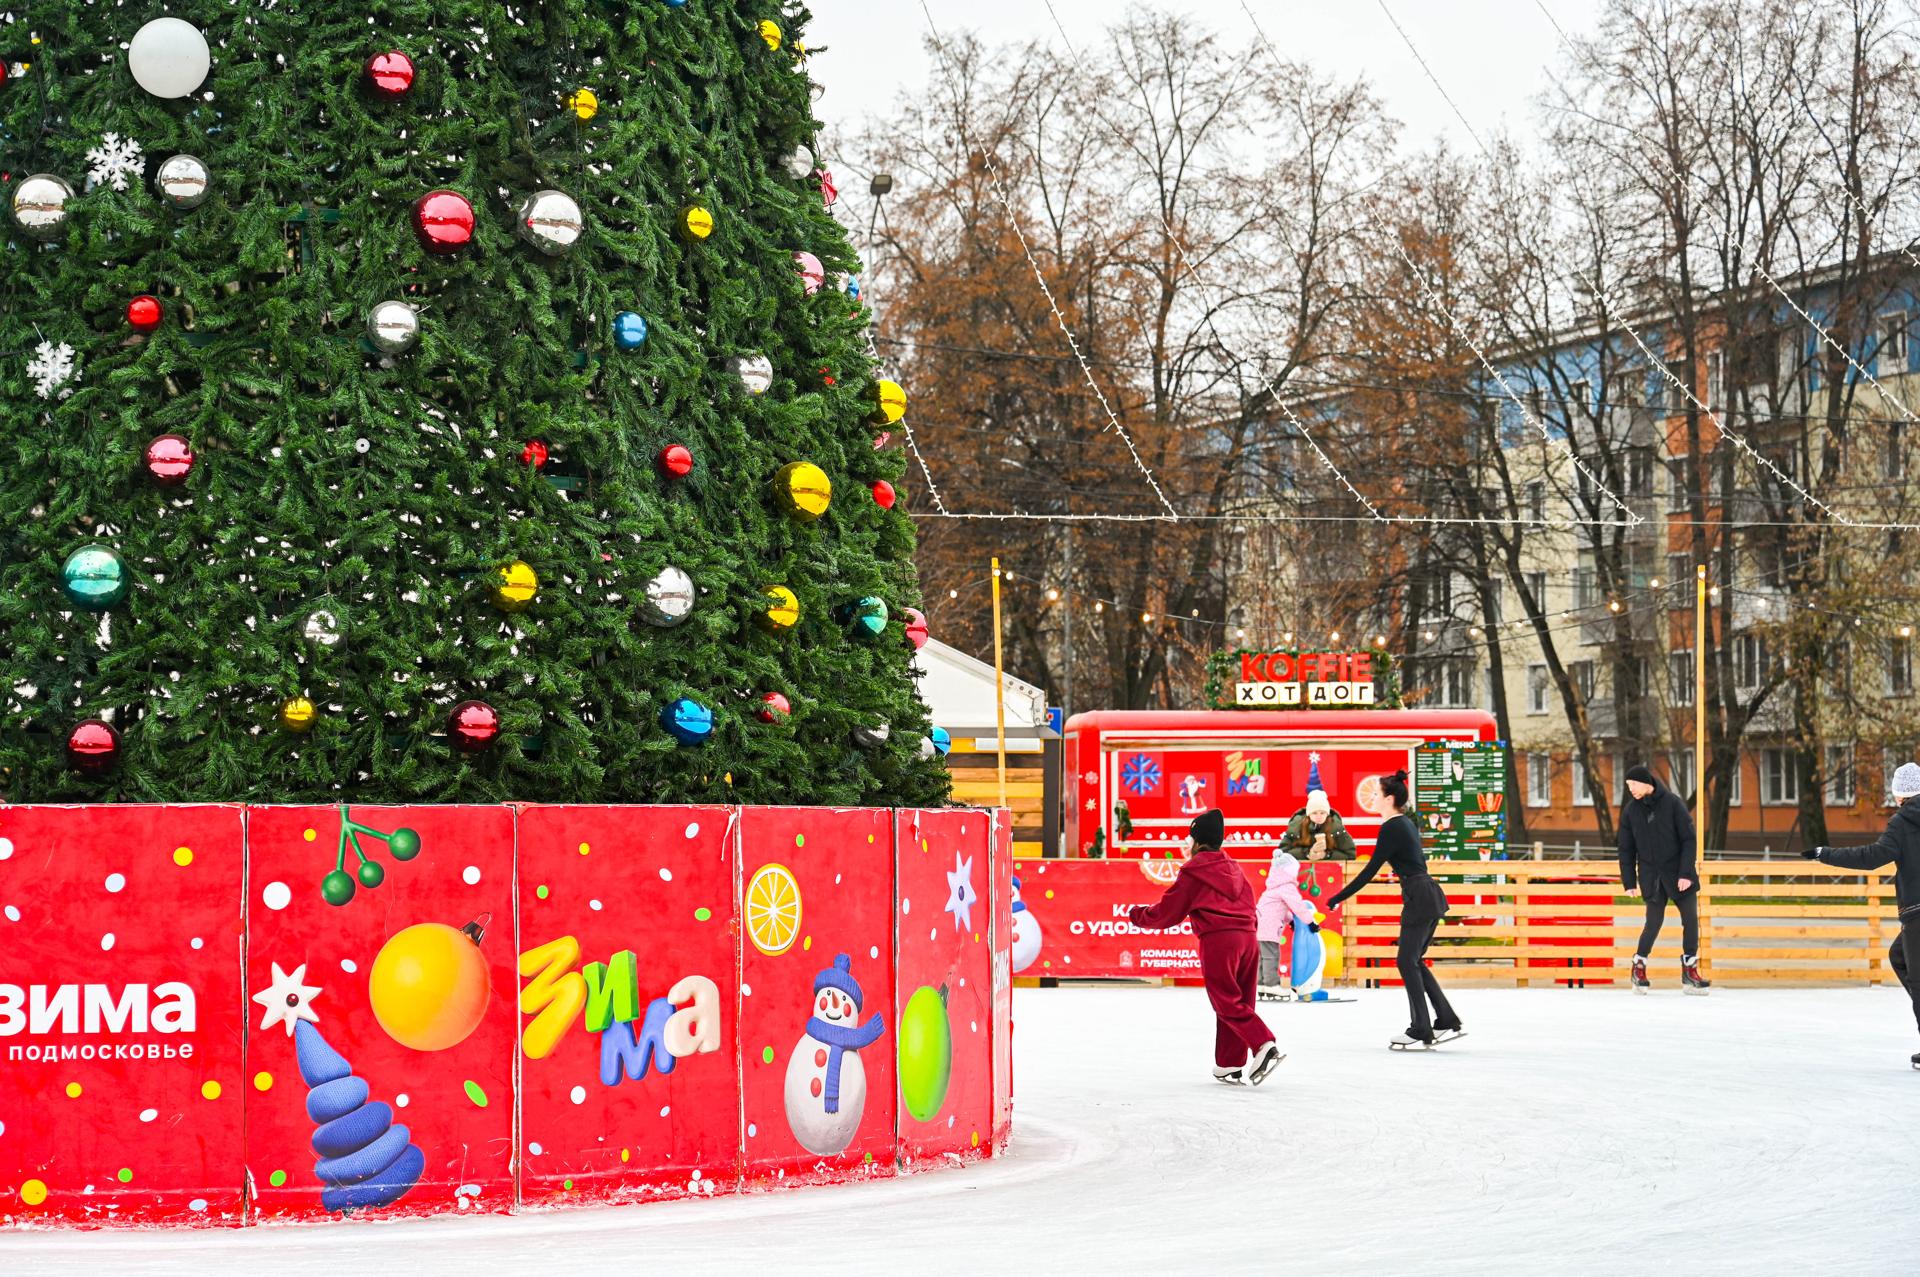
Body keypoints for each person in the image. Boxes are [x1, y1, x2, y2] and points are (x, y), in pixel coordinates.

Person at [1129, 808, 1284, 1085]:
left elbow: (1168, 912)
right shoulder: (1235, 869)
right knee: (1240, 1001)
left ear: (1197, 841)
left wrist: (1137, 915)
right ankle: (1230, 1063)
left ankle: (1263, 1044)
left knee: (1225, 1001)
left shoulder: (1194, 872)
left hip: (1220, 941)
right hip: (1249, 939)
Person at [1324, 769, 1462, 1049]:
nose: (1372, 799)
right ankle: (1445, 1019)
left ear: (1389, 799)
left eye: (1376, 794)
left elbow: (1370, 870)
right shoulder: (1404, 824)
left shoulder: (1392, 827)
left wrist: (1338, 896)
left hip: (1419, 897)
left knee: (1406, 961)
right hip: (1426, 895)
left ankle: (1421, 1028)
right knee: (1414, 961)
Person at [1803, 761, 1920, 1068]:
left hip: (1917, 914)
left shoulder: (1903, 821)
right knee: (1899, 957)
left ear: (1899, 794)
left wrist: (1824, 854)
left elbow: (1872, 858)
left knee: (1917, 978)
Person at [1616, 763, 1710, 995]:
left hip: (1679, 873)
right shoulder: (1630, 811)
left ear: (1647, 783)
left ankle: (1690, 971)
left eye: (1634, 784)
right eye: (1628, 786)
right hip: (1651, 876)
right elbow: (1626, 849)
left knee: (1690, 920)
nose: (1631, 790)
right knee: (1653, 923)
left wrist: (1686, 873)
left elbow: (1689, 839)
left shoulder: (1673, 803)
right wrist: (1629, 882)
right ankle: (1638, 967)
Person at [1256, 850, 1319, 1002]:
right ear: (1288, 872)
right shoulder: (1286, 887)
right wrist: (1310, 922)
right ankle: (1271, 985)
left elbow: (1278, 909)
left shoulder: (1272, 888)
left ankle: (1261, 985)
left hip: (1259, 926)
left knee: (1262, 958)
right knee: (1271, 956)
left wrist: (1290, 920)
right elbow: (1298, 905)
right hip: (1269, 928)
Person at [1281, 790, 1356, 862]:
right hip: (1301, 872)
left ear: (1327, 813)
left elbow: (1350, 855)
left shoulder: (1336, 828)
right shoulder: (1296, 827)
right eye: (1314, 813)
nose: (1318, 816)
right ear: (1308, 814)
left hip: (1330, 872)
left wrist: (1326, 855)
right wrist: (1307, 854)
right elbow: (1283, 854)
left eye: (1322, 813)